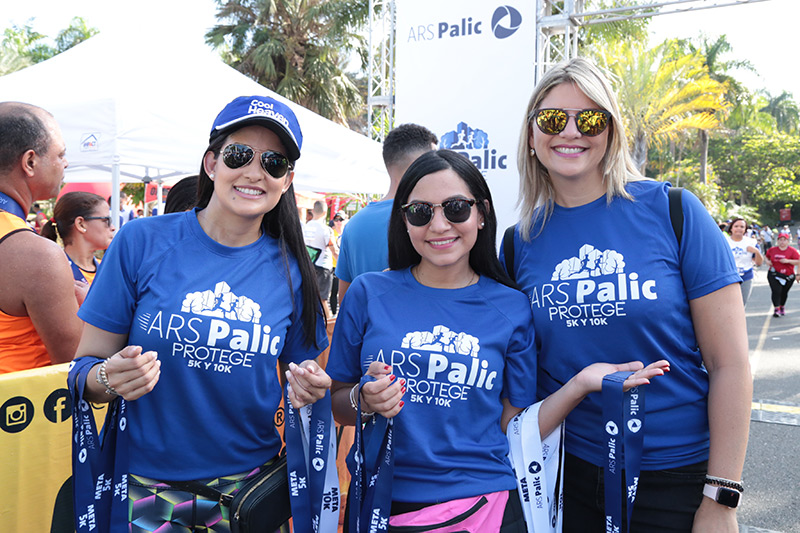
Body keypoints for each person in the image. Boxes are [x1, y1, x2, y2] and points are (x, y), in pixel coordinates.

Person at [326, 149, 669, 532]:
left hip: (481, 509)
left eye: (456, 208)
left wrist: (580, 385)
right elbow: (336, 402)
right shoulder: (367, 293)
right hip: (378, 503)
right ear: (404, 220)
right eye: (421, 211)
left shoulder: (512, 307)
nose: (439, 225)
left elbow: (515, 425)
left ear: (482, 213)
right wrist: (364, 399)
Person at [504, 58, 751, 532]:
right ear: (532, 136)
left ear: (611, 131)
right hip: (567, 474)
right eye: (554, 119)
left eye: (591, 118)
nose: (571, 131)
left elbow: (731, 364)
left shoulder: (674, 212)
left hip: (675, 477)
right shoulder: (519, 242)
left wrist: (721, 498)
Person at [69, 95, 332, 531]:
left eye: (274, 162)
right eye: (239, 155)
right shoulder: (141, 242)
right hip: (145, 489)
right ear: (211, 163)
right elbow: (84, 371)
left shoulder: (292, 270)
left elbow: (306, 379)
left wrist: (312, 388)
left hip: (249, 491)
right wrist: (108, 378)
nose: (254, 172)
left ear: (287, 180)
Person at [0, 101, 82, 374]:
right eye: (60, 154)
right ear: (30, 162)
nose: (66, 163)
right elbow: (78, 364)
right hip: (21, 411)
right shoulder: (35, 254)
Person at [336, 124, 438, 301]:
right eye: (435, 162)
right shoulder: (429, 218)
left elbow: (345, 300)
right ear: (422, 165)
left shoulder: (354, 224)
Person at [40, 191, 116, 305]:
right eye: (106, 221)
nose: (113, 228)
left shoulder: (109, 268)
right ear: (81, 224)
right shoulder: (54, 274)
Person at [303, 200, 337, 313]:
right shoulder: (326, 230)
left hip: (308, 266)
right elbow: (334, 250)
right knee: (322, 300)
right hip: (323, 267)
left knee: (309, 299)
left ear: (312, 211)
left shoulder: (304, 227)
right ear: (325, 212)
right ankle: (329, 329)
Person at [725, 217, 763, 307]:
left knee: (742, 305)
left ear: (745, 229)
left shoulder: (751, 242)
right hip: (729, 276)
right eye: (736, 226)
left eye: (742, 227)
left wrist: (756, 251)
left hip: (746, 276)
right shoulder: (725, 241)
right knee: (729, 305)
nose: (739, 229)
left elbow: (759, 263)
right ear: (731, 228)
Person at [765, 231, 800, 317]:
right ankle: (776, 309)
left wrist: (788, 261)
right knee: (776, 291)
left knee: (784, 292)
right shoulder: (772, 250)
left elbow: (798, 261)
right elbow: (766, 256)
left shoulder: (792, 251)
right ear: (777, 241)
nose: (782, 242)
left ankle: (782, 306)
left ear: (788, 241)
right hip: (774, 274)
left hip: (788, 275)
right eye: (780, 240)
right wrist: (767, 261)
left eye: (784, 240)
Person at [329, 210, 348, 315]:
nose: (339, 222)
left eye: (341, 219)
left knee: (344, 292)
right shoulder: (332, 233)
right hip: (333, 266)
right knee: (334, 291)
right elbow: (333, 250)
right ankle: (334, 314)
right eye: (336, 219)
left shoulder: (348, 233)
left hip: (344, 267)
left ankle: (343, 313)